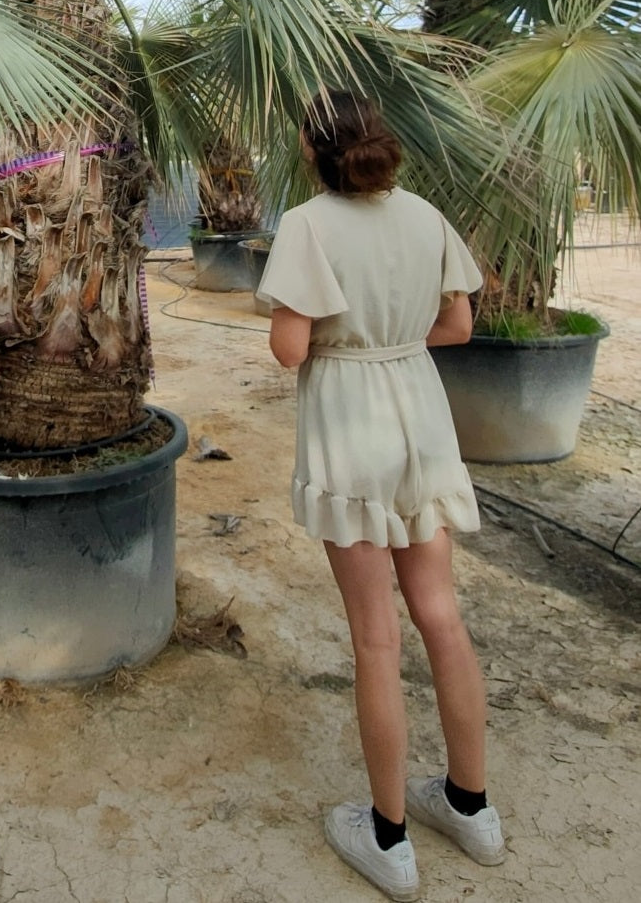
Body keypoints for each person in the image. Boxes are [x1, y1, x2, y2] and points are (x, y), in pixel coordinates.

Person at [256, 91, 506, 902]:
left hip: (349, 420)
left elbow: (289, 349)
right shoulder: (425, 214)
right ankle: (471, 805)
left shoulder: (305, 224)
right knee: (439, 613)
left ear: (312, 147)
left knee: (375, 636)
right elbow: (459, 325)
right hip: (420, 411)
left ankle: (389, 836)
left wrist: (343, 338)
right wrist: (393, 339)